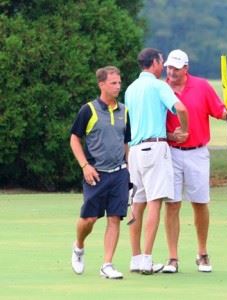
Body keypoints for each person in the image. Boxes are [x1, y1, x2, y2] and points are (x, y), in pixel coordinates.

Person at [162, 49, 227, 273]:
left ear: (186, 69)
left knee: (200, 202)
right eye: (169, 67)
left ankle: (202, 253)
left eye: (176, 68)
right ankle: (172, 258)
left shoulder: (202, 86)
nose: (171, 71)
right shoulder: (161, 87)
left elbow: (218, 110)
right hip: (171, 152)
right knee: (172, 203)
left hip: (197, 152)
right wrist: (170, 136)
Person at [125, 48, 189, 275]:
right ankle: (147, 259)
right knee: (155, 201)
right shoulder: (159, 85)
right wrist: (185, 129)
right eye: (161, 62)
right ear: (154, 63)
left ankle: (135, 257)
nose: (163, 66)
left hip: (135, 151)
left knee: (137, 203)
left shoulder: (130, 89)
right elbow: (180, 107)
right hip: (155, 149)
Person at [70, 66, 131, 279]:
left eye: (119, 82)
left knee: (115, 218)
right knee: (89, 219)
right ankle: (78, 246)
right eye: (113, 83)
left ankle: (107, 264)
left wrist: (128, 169)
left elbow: (126, 142)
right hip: (95, 173)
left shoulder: (124, 110)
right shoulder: (88, 110)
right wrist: (85, 166)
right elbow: (74, 139)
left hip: (119, 173)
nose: (118, 86)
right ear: (102, 84)